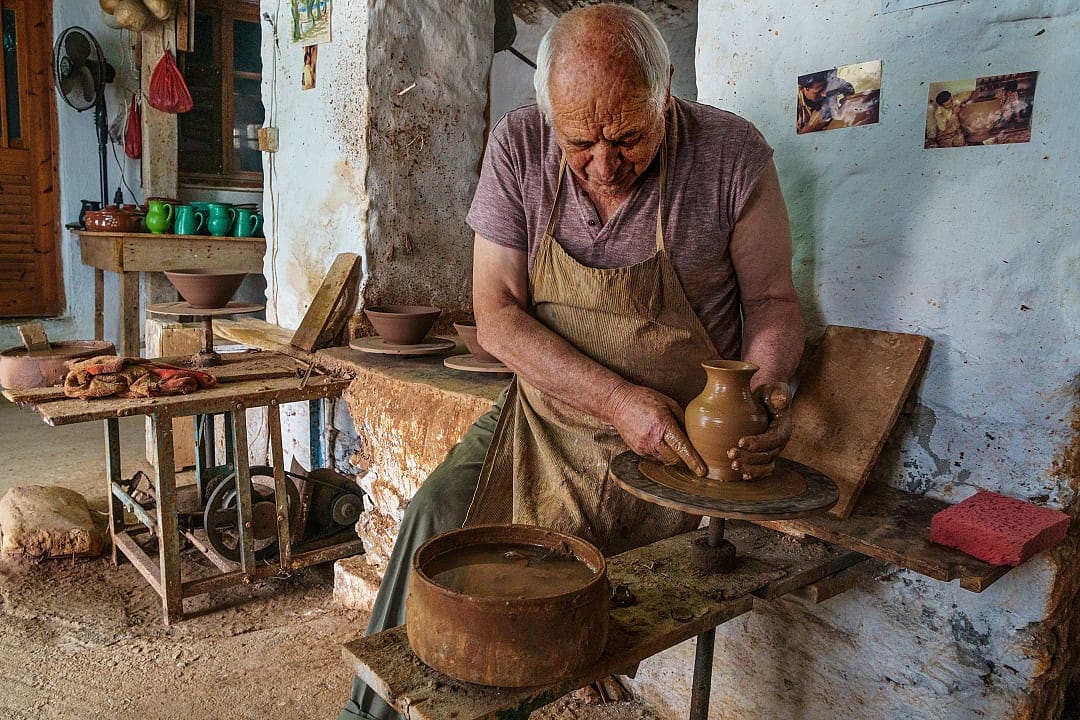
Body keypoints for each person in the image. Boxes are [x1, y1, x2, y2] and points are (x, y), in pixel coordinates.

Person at [339, 5, 803, 719]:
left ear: (666, 88)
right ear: (546, 110)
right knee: (437, 520)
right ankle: (367, 715)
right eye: (580, 139)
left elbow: (772, 302)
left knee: (539, 601)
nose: (605, 163)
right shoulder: (520, 145)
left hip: (678, 443)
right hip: (542, 416)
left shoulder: (731, 156)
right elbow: (495, 314)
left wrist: (768, 392)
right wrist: (617, 400)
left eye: (629, 136)